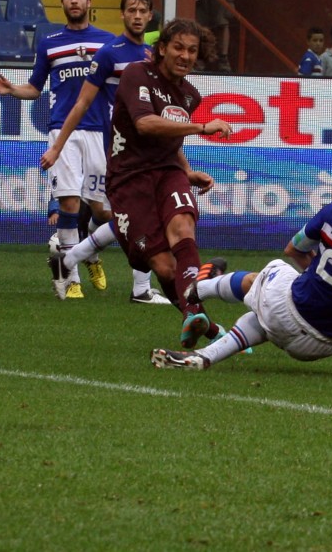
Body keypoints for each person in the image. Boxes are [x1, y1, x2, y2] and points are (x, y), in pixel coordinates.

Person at [150, 166, 332, 371]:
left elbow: (293, 250)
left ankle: (199, 289)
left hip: (294, 309)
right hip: (329, 343)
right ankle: (204, 357)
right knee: (264, 318)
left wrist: (315, 274)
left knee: (271, 272)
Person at [99, 17, 233, 349]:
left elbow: (170, 141)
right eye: (178, 47)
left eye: (192, 50)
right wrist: (202, 128)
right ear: (162, 49)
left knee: (183, 227)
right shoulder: (136, 74)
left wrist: (186, 171)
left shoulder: (191, 95)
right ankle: (200, 317)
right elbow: (145, 124)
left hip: (168, 171)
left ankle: (195, 316)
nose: (185, 56)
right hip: (128, 179)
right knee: (163, 266)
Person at [39, 0, 169, 305]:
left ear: (150, 16)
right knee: (139, 213)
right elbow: (83, 102)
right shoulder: (109, 53)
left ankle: (74, 258)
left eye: (143, 11)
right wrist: (57, 147)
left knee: (118, 212)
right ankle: (88, 276)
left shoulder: (153, 54)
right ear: (122, 14)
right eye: (132, 11)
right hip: (119, 146)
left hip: (143, 145)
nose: (137, 16)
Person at [0, 0, 114, 300]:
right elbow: (35, 87)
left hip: (100, 132)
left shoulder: (108, 43)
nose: (74, 1)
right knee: (69, 203)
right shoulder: (50, 43)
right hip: (63, 132)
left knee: (103, 213)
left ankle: (88, 252)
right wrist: (13, 90)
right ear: (62, 3)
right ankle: (70, 280)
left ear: (89, 1)